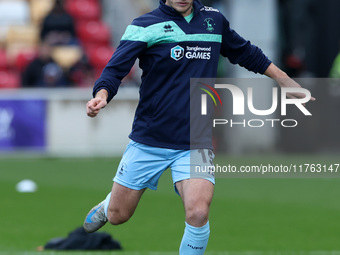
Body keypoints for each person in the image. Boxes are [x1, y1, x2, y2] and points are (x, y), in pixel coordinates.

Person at [83, 0, 315, 254]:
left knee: (198, 212)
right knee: (119, 215)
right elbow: (114, 70)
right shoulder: (144, 25)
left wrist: (285, 81)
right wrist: (102, 94)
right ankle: (108, 206)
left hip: (196, 140)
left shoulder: (213, 20)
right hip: (150, 139)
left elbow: (245, 52)